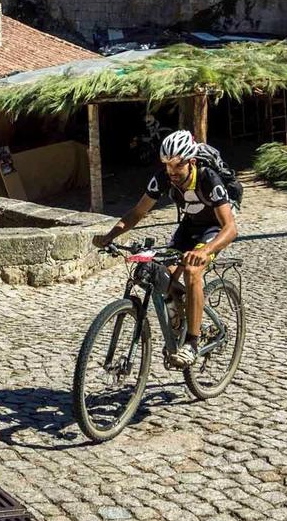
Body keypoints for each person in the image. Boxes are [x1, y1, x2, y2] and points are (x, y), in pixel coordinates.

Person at [93, 128, 238, 368]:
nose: (172, 172)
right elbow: (137, 213)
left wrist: (205, 251)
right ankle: (180, 316)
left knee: (193, 271)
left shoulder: (207, 178)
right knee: (164, 277)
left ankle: (192, 342)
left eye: (177, 166)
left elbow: (231, 228)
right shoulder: (162, 178)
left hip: (214, 229)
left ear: (190, 162)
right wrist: (110, 235)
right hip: (189, 226)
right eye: (167, 166)